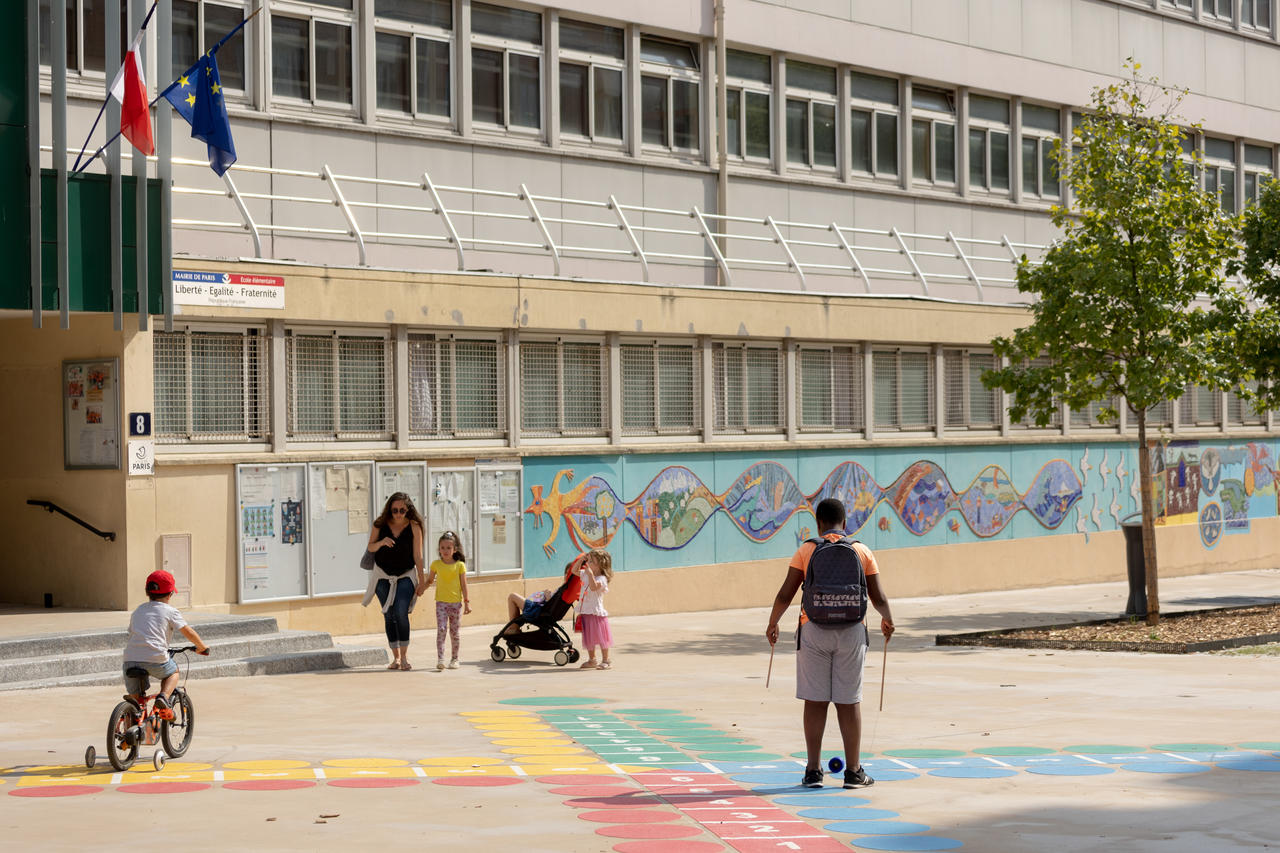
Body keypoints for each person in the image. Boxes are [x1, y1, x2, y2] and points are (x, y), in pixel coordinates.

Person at [765, 497, 894, 789]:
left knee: (815, 700)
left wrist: (773, 623)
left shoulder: (807, 550)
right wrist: (888, 620)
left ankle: (813, 771)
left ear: (818, 524)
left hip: (813, 630)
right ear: (845, 524)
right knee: (849, 702)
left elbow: (785, 594)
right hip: (852, 631)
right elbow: (878, 597)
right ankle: (854, 772)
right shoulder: (861, 551)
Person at [122, 570, 209, 712]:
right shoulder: (170, 611)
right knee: (173, 672)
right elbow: (188, 631)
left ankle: (131, 724)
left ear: (147, 592)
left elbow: (131, 632)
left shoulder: (138, 611)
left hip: (130, 660)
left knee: (136, 705)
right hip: (155, 658)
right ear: (170, 595)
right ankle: (163, 697)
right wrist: (202, 647)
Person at [362, 492, 426, 671]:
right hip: (382, 576)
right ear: (390, 509)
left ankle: (404, 657)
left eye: (402, 510)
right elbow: (370, 546)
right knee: (389, 615)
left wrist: (422, 582)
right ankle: (395, 658)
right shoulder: (380, 524)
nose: (398, 514)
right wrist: (382, 542)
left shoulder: (414, 526)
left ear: (408, 510)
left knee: (400, 612)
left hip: (405, 575)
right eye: (395, 510)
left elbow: (418, 555)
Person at [424, 530, 471, 670]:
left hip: (456, 604)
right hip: (441, 603)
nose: (445, 550)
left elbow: (464, 585)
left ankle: (455, 659)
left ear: (454, 549)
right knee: (442, 629)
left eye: (448, 548)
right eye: (443, 548)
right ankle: (440, 659)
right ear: (439, 549)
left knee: (455, 633)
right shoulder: (436, 565)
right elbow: (429, 581)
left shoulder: (460, 565)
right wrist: (420, 589)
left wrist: (467, 602)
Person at [577, 549, 614, 670]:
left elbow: (593, 588)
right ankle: (592, 660)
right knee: (589, 637)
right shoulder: (587, 574)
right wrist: (581, 560)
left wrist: (590, 575)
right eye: (589, 560)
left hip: (596, 613)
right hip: (586, 611)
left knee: (601, 637)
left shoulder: (601, 579)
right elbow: (574, 571)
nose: (589, 563)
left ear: (600, 565)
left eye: (591, 561)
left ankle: (606, 660)